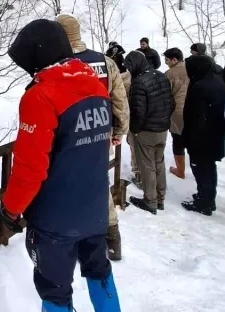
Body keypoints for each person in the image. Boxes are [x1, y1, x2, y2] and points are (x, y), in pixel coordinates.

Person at [1, 19, 128, 312]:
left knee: (55, 289)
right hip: (93, 207)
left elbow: (30, 168)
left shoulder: (40, 96)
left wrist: (10, 211)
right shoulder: (93, 83)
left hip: (56, 217)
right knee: (99, 273)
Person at [55, 14, 129, 261]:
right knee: (98, 182)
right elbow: (119, 101)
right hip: (99, 134)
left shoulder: (57, 63)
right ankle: (111, 237)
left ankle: (70, 239)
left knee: (64, 183)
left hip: (67, 137)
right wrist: (119, 130)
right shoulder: (104, 61)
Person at [124, 51, 174, 214]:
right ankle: (160, 198)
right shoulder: (161, 76)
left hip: (146, 130)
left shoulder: (138, 82)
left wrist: (135, 130)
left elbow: (138, 111)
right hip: (162, 128)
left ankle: (150, 201)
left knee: (146, 165)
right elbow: (171, 102)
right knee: (158, 162)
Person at [181, 55, 225, 215]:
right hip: (214, 132)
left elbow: (197, 116)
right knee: (208, 168)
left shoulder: (200, 86)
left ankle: (204, 202)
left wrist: (191, 138)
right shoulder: (217, 80)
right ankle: (207, 197)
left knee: (201, 169)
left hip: (201, 136)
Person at [163, 47, 189, 179]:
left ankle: (180, 170)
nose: (166, 62)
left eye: (167, 60)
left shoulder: (170, 73)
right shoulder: (192, 68)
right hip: (194, 109)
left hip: (177, 111)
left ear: (174, 59)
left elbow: (166, 95)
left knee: (178, 141)